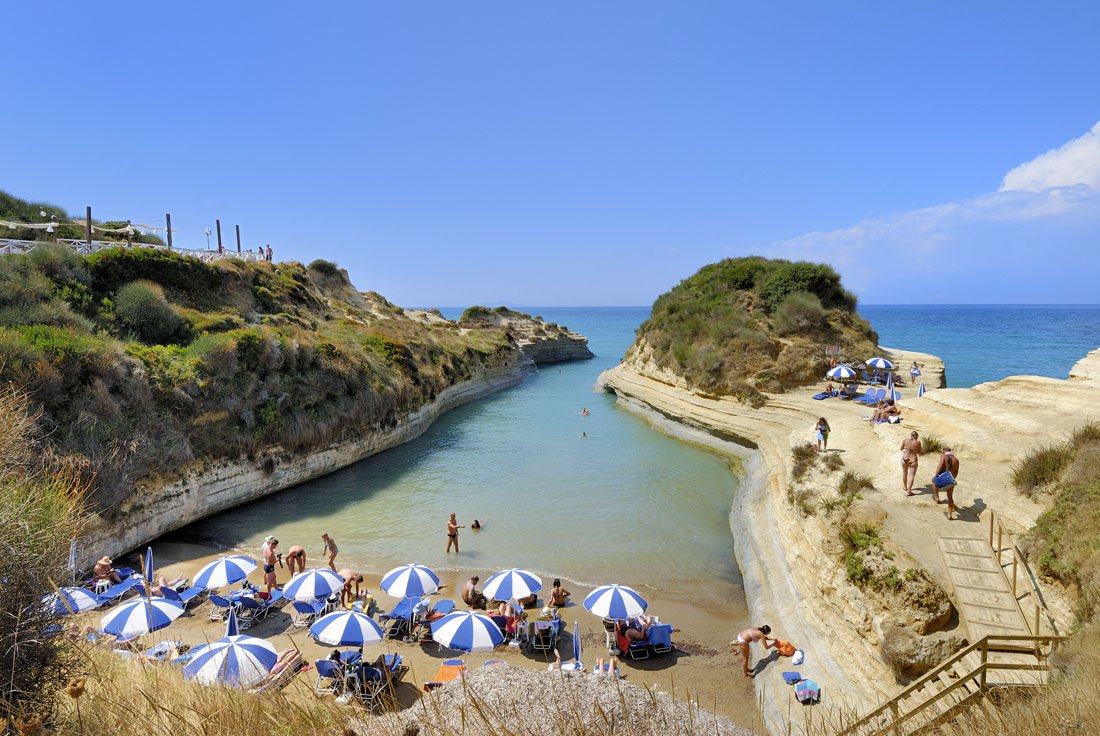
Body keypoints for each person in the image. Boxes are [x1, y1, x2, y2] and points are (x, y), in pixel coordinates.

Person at [933, 448, 961, 520]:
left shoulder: (944, 456)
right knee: (950, 497)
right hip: (950, 479)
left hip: (942, 477)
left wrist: (936, 475)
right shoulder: (956, 460)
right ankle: (949, 515)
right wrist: (951, 479)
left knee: (933, 481)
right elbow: (956, 473)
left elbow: (940, 466)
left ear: (943, 451)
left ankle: (937, 497)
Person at [900, 431, 922, 496]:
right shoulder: (918, 442)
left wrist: (905, 450)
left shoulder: (905, 440)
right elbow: (920, 452)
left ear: (911, 435)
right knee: (911, 475)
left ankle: (905, 487)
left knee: (905, 473)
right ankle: (909, 491)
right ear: (917, 436)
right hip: (913, 460)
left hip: (904, 459)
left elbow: (901, 448)